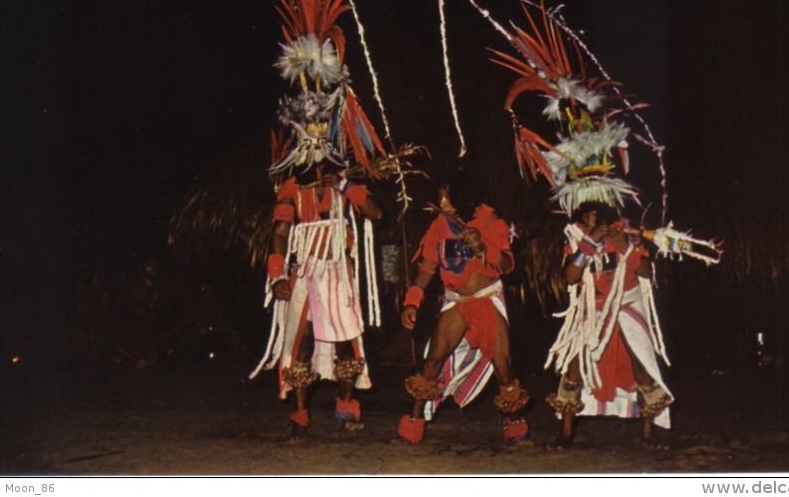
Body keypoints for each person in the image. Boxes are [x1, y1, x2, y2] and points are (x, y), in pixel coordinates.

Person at [397, 174, 531, 445]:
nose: (442, 202)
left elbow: (507, 266)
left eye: (448, 196)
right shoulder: (439, 226)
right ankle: (413, 423)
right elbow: (426, 269)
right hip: (456, 302)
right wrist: (412, 301)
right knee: (433, 359)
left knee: (503, 366)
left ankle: (514, 424)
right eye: (440, 196)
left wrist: (483, 246)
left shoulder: (492, 222)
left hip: (487, 299)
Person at [258, 163, 382, 442]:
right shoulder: (293, 190)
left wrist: (343, 186)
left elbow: (376, 212)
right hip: (305, 273)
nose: (317, 170)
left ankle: (346, 408)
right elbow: (280, 232)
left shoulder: (344, 184)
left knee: (347, 345)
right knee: (302, 345)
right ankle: (300, 417)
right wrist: (277, 275)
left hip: (338, 273)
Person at [545, 202, 673, 451]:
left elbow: (647, 272)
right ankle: (566, 432)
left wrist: (627, 249)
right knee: (574, 367)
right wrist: (588, 244)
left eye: (596, 213)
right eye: (586, 214)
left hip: (627, 303)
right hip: (594, 308)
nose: (591, 219)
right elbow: (570, 276)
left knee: (641, 367)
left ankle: (648, 433)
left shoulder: (626, 235)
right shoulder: (574, 239)